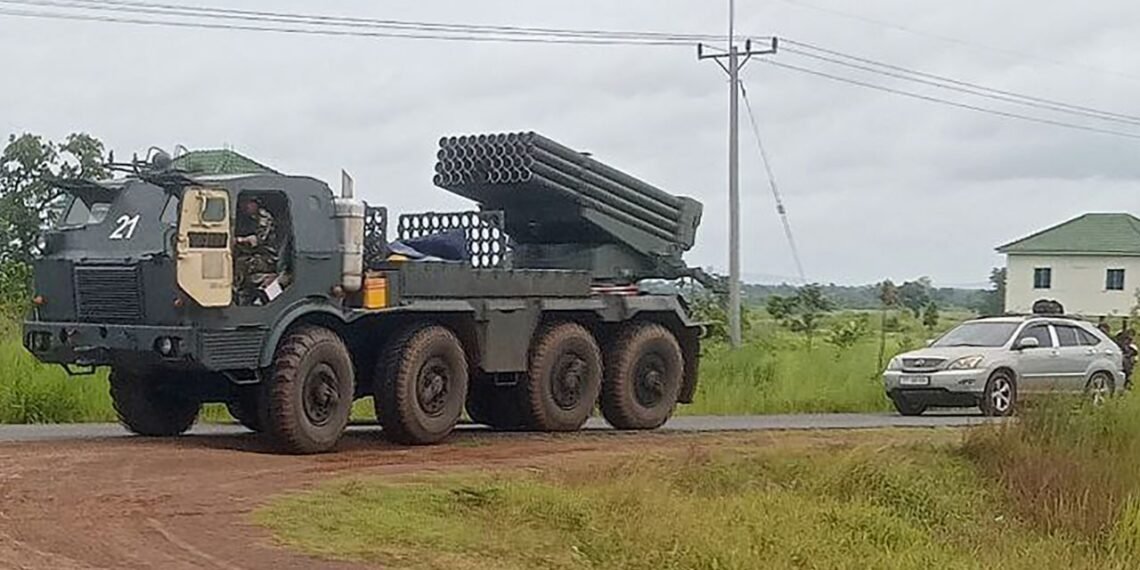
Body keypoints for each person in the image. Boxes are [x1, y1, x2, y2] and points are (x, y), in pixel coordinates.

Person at [234, 196, 279, 305]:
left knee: (241, 264)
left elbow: (257, 240)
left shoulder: (264, 218)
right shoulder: (247, 218)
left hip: (267, 258)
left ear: (255, 204)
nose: (245, 207)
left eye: (247, 203)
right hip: (255, 254)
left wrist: (238, 240)